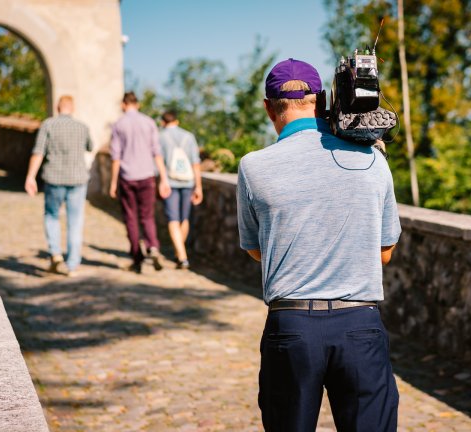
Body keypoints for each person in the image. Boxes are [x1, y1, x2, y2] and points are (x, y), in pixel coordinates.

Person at [236, 58, 402, 431]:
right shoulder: (373, 159)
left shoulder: (252, 166)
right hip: (360, 323)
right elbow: (385, 252)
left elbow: (256, 249)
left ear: (268, 107)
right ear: (323, 100)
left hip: (291, 325)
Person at [25, 95, 92, 276]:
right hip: (78, 179)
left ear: (57, 107)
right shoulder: (82, 127)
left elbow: (38, 152)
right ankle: (72, 265)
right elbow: (90, 147)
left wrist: (30, 176)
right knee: (75, 222)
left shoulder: (48, 125)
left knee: (52, 215)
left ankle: (55, 253)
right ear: (73, 108)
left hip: (54, 178)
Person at [109, 92, 171, 273]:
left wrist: (113, 182)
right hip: (147, 176)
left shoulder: (118, 124)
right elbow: (156, 152)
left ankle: (137, 258)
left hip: (127, 177)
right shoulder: (149, 122)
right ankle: (153, 247)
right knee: (147, 216)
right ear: (137, 104)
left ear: (123, 104)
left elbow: (115, 157)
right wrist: (164, 179)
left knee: (130, 217)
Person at [158, 111, 203, 269]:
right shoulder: (188, 136)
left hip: (170, 182)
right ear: (177, 121)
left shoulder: (160, 136)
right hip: (188, 181)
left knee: (173, 218)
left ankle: (181, 256)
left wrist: (162, 180)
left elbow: (158, 161)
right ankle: (180, 253)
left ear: (163, 122)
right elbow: (195, 162)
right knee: (184, 218)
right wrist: (198, 186)